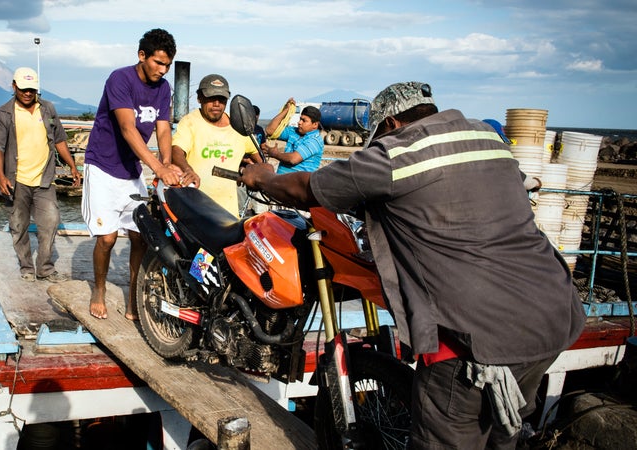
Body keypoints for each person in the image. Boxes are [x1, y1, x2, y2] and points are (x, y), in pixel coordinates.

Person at [240, 81, 585, 448]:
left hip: (476, 337)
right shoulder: (484, 137)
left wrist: (264, 178)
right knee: (501, 430)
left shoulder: (396, 153)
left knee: (446, 432)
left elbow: (309, 189)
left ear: (389, 124)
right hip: (554, 316)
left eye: (376, 138)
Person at [82, 28, 181, 320]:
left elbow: (163, 128)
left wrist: (165, 164)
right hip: (102, 167)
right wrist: (158, 167)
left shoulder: (163, 89)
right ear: (142, 56)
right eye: (158, 63)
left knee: (140, 237)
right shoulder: (120, 79)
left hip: (131, 171)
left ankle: (133, 299)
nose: (162, 71)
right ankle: (98, 290)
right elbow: (128, 129)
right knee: (108, 239)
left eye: (167, 66)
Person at [0, 67, 81, 283]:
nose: (28, 93)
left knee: (51, 221)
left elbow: (59, 140)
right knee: (19, 226)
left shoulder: (47, 109)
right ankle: (26, 266)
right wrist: (1, 177)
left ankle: (45, 267)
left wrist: (72, 166)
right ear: (14, 86)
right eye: (24, 89)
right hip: (16, 180)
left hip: (44, 179)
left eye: (32, 89)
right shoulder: (3, 114)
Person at [170, 74, 262, 217]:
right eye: (211, 98)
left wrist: (255, 174)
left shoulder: (238, 126)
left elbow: (259, 158)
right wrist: (188, 170)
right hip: (195, 210)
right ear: (199, 98)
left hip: (228, 213)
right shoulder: (190, 122)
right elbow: (176, 150)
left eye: (222, 99)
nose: (217, 104)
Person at [263, 99, 324, 173]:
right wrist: (286, 110)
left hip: (297, 183)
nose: (299, 122)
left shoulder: (315, 140)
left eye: (304, 121)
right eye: (300, 119)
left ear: (315, 125)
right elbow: (270, 130)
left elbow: (293, 159)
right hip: (281, 180)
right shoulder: (294, 131)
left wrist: (275, 154)